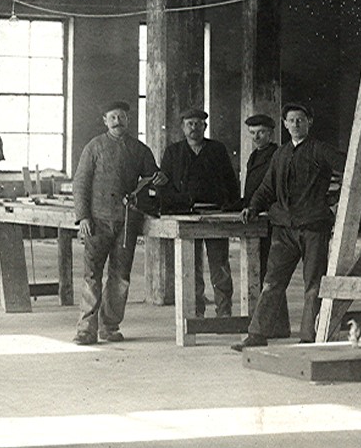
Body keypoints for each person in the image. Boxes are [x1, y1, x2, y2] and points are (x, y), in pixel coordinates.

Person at [232, 102, 342, 350]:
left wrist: (337, 197)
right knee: (272, 281)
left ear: (309, 122)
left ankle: (309, 337)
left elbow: (352, 166)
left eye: (300, 119)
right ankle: (257, 334)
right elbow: (267, 187)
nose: (295, 124)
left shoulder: (319, 150)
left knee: (313, 284)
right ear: (284, 124)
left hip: (313, 227)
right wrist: (253, 207)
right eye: (291, 120)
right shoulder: (280, 154)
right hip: (284, 228)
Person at [72, 100, 162, 345]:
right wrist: (83, 216)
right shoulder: (94, 147)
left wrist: (158, 180)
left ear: (128, 120)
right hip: (97, 222)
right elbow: (80, 183)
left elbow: (153, 179)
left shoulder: (140, 150)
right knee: (92, 275)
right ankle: (86, 330)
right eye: (112, 117)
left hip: (126, 223)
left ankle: (109, 326)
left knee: (120, 277)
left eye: (121, 117)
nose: (117, 121)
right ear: (105, 120)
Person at [160, 106, 240, 318]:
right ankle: (196, 312)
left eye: (198, 124)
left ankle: (224, 312)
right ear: (182, 127)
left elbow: (230, 181)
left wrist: (231, 207)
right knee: (191, 267)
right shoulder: (173, 152)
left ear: (205, 127)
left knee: (220, 264)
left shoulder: (217, 150)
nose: (194, 127)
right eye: (190, 124)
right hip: (187, 216)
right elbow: (165, 185)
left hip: (215, 215)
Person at [239, 113, 279, 275]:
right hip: (255, 212)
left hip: (269, 214)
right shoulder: (254, 155)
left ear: (270, 134)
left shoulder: (277, 154)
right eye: (252, 133)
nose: (256, 137)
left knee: (268, 263)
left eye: (261, 132)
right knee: (258, 261)